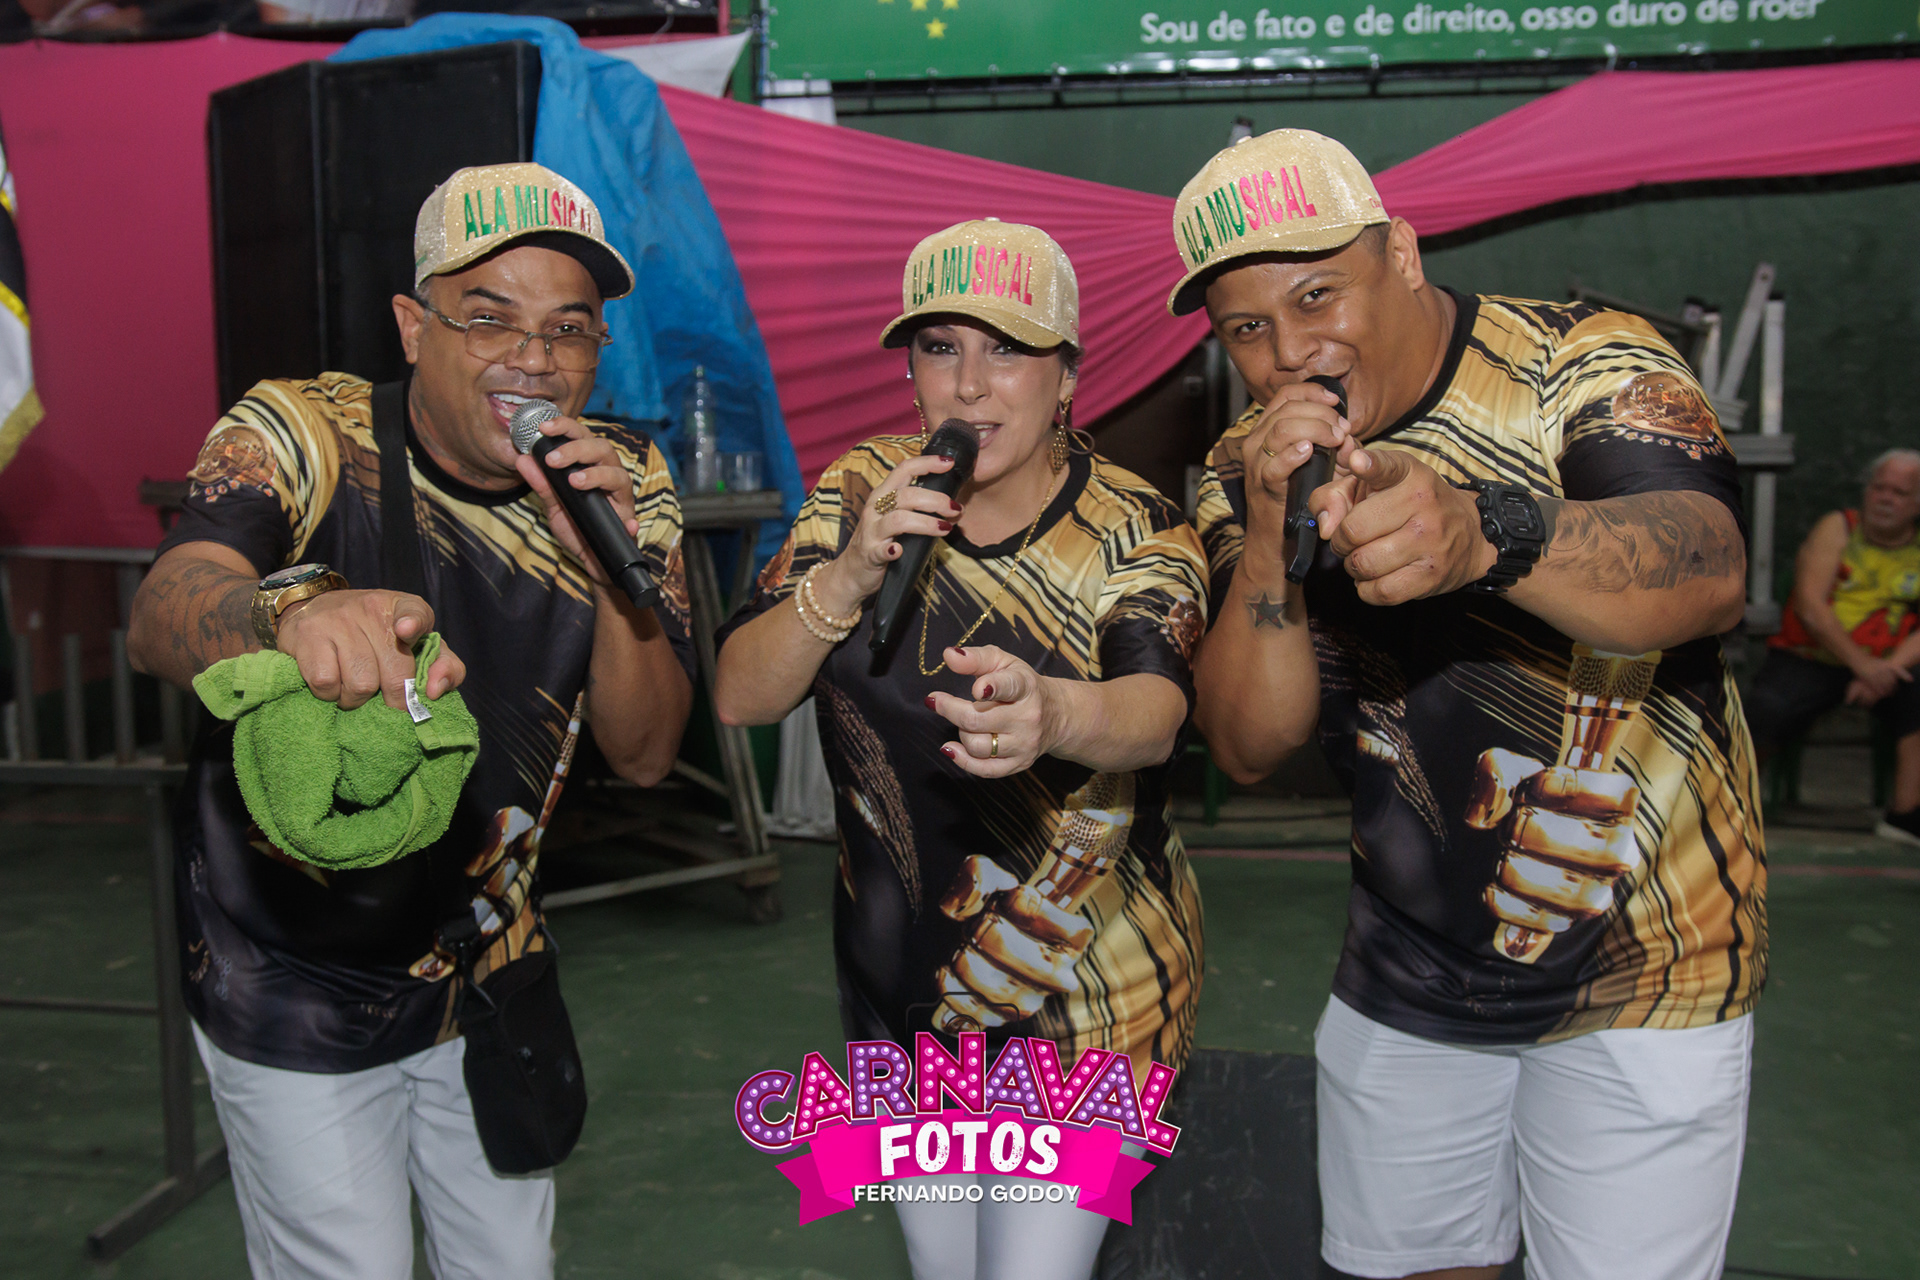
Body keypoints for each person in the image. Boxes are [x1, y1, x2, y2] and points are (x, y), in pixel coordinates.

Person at [1178, 130, 1765, 1280]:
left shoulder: (1580, 362)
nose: (1291, 351)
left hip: (1651, 969)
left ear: (1401, 253)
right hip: (1408, 962)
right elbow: (1249, 743)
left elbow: (1708, 567)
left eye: (1317, 294)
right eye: (1246, 327)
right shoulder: (1245, 463)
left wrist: (1487, 534)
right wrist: (1268, 535)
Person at [127, 162, 694, 1280]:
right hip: (293, 970)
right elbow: (161, 613)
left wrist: (612, 575)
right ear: (412, 325)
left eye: (569, 329)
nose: (533, 359)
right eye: (489, 318)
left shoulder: (623, 475)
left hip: (490, 958)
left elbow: (644, 752)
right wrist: (288, 611)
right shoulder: (305, 430)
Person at [713, 219, 1206, 1280]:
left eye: (1009, 350)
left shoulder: (1133, 526)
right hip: (900, 989)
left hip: (1090, 996)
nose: (970, 386)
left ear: (1068, 377)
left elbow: (1157, 709)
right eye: (940, 348)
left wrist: (1055, 715)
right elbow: (742, 694)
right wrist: (848, 574)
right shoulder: (862, 488)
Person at [1745, 448, 1920, 844]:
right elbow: (1810, 608)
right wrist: (1863, 666)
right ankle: (1731, 799)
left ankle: (1906, 814)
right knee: (1768, 708)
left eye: (1899, 493)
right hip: (1813, 655)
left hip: (1888, 663)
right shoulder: (1838, 527)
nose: (1886, 499)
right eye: (1879, 488)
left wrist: (1885, 670)